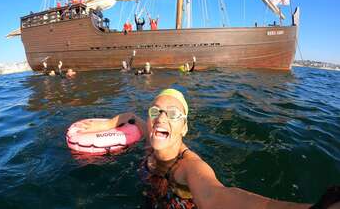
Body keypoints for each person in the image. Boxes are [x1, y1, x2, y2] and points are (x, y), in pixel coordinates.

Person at [79, 88, 326, 209]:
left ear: (184, 128)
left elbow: (217, 197)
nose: (161, 118)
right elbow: (131, 116)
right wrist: (111, 122)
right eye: (156, 111)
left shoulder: (188, 167)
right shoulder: (150, 138)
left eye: (173, 114)